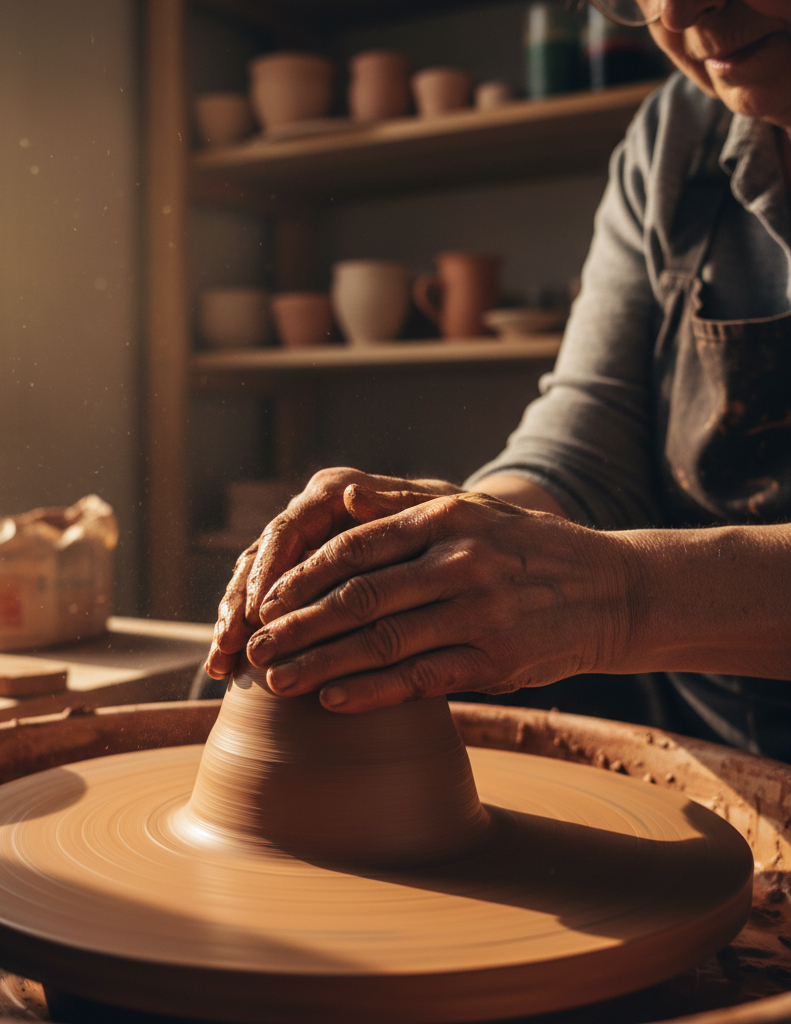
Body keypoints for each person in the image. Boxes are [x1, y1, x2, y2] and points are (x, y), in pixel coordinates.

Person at [205, 0, 791, 760]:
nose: (676, 8)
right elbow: (585, 449)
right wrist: (437, 544)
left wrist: (619, 597)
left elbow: (615, 590)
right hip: (701, 734)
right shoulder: (677, 136)